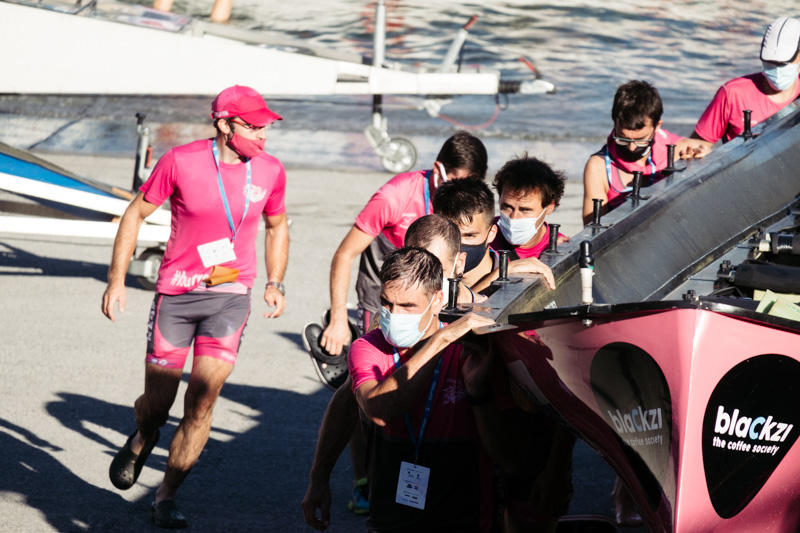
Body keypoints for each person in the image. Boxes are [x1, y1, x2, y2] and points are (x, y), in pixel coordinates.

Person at [101, 85, 289, 529]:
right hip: (177, 294)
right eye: (254, 125)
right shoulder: (180, 161)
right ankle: (145, 435)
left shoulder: (271, 171)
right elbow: (134, 215)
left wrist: (275, 281)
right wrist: (116, 281)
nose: (264, 134)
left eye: (266, 126)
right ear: (223, 124)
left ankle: (165, 496)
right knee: (158, 403)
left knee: (202, 403)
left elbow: (277, 226)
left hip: (230, 294)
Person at [313, 130, 487, 514]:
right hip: (383, 291)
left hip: (460, 495)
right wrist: (338, 319)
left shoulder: (462, 222)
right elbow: (345, 253)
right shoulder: (397, 195)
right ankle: (364, 480)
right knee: (357, 390)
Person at [302, 215, 479, 531]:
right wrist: (319, 477)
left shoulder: (476, 330)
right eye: (411, 257)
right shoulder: (376, 339)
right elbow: (354, 404)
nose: (417, 269)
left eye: (431, 265)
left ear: (455, 267)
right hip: (392, 508)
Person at [349, 247, 499, 532]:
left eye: (407, 306)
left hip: (464, 520)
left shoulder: (469, 350)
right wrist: (441, 340)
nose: (393, 315)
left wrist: (478, 393)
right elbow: (379, 410)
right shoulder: (366, 347)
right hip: (389, 520)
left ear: (437, 300)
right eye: (386, 302)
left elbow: (505, 454)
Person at [583, 80, 709, 225]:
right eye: (623, 139)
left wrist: (701, 159)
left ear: (657, 126)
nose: (631, 148)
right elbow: (592, 232)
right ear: (614, 122)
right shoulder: (598, 167)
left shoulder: (680, 151)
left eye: (641, 140)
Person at [691, 17, 800, 147]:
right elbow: (698, 144)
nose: (776, 70)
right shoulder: (733, 93)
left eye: (783, 64)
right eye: (770, 63)